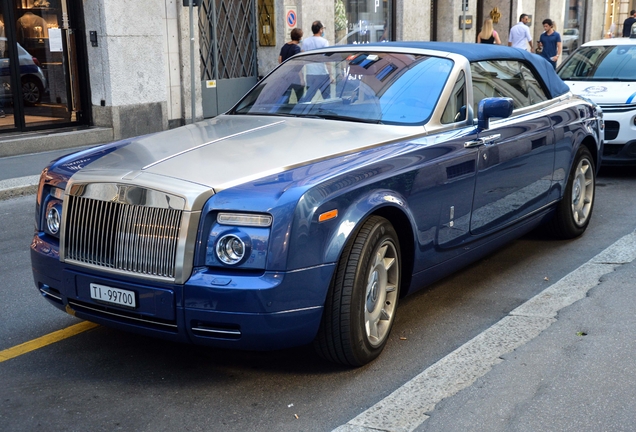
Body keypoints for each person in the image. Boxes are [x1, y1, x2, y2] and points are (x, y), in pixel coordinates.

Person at [300, 21, 330, 101]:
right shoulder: (324, 42)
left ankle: (304, 109)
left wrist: (302, 76)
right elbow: (327, 59)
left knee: (309, 96)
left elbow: (302, 58)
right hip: (322, 73)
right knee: (327, 97)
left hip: (310, 74)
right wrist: (331, 74)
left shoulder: (305, 41)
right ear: (320, 30)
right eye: (322, 29)